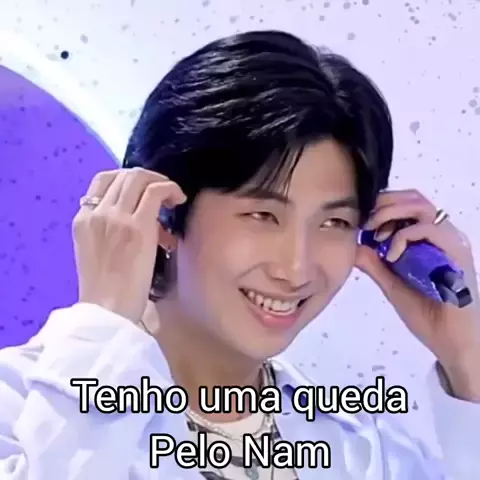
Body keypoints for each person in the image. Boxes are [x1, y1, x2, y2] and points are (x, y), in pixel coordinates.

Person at [0, 30, 479, 480]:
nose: (295, 268)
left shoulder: (367, 451)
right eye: (263, 215)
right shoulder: (20, 407)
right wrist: (103, 326)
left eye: (334, 222)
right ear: (164, 211)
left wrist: (468, 358)